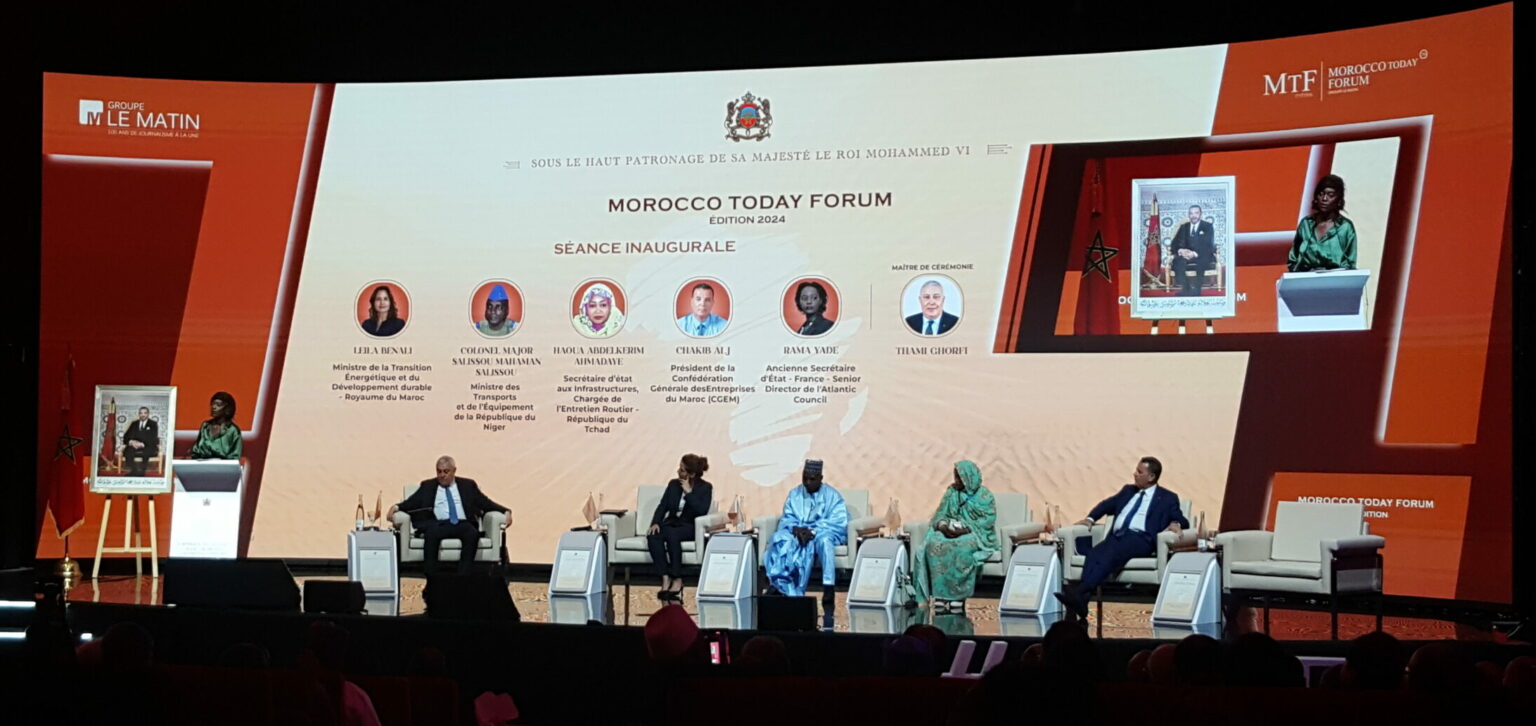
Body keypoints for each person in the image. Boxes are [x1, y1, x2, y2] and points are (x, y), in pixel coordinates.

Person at [1054, 456, 1188, 620]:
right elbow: (1106, 505)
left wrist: (1175, 523)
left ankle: (1079, 593)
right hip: (1117, 537)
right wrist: (1090, 519)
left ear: (1151, 477)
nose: (1135, 474)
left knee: (1112, 552)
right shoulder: (1128, 491)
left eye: (1140, 472)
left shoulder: (1167, 498)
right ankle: (1082, 600)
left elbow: (1180, 518)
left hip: (1141, 539)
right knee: (1094, 553)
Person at [388, 456, 510, 574]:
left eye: (446, 471)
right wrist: (396, 507)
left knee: (472, 534)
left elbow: (485, 503)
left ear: (454, 471)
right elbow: (411, 502)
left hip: (462, 523)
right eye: (439, 471)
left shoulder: (467, 485)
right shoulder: (428, 486)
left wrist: (505, 511)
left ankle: (463, 576)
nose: (442, 475)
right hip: (439, 524)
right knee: (431, 534)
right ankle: (432, 579)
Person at [912, 460, 997, 612]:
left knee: (962, 547)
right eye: (956, 477)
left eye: (960, 477)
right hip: (950, 530)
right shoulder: (952, 492)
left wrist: (966, 529)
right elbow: (940, 515)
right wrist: (943, 526)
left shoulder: (985, 496)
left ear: (969, 477)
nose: (956, 480)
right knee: (934, 543)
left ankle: (958, 596)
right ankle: (940, 595)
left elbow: (987, 520)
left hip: (974, 534)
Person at [763, 459, 847, 604]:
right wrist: (795, 528)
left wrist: (812, 531)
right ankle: (778, 583)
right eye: (805, 478)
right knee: (779, 537)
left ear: (820, 478)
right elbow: (787, 517)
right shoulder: (794, 494)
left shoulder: (832, 495)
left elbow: (838, 522)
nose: (807, 482)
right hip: (798, 530)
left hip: (822, 531)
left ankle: (828, 588)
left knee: (825, 541)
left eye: (812, 479)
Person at [647, 454, 713, 601]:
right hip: (671, 523)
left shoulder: (705, 488)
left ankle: (677, 578)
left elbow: (701, 511)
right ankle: (665, 577)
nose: (678, 471)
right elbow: (663, 506)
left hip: (690, 526)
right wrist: (655, 522)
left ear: (692, 474)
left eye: (682, 470)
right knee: (653, 535)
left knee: (672, 535)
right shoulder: (673, 484)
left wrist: (689, 493)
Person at [1288, 174, 1358, 272]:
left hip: (1335, 278)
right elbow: (1293, 259)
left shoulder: (1345, 227)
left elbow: (1350, 264)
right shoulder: (1306, 224)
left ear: (1339, 200)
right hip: (1306, 278)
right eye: (1321, 194)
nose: (1324, 198)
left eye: (1330, 195)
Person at [1169, 205, 1216, 296]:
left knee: (1201, 262)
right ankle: (1186, 289)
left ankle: (1197, 290)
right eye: (1191, 213)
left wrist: (1194, 253)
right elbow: (1174, 244)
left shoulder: (1207, 226)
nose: (1193, 216)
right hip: (1185, 255)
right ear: (1189, 215)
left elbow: (1209, 245)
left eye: (1196, 213)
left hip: (1201, 255)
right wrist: (1181, 250)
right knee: (1177, 262)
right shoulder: (1184, 227)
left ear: (1201, 214)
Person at [188, 392, 241, 459]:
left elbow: (235, 456)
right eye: (213, 404)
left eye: (218, 405)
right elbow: (197, 449)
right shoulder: (205, 426)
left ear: (228, 409)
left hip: (223, 465)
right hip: (202, 463)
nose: (214, 407)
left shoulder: (233, 430)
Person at [120, 406, 159, 476]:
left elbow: (153, 437)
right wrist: (131, 442)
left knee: (147, 451)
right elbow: (126, 436)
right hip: (134, 445)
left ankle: (141, 471)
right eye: (141, 413)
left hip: (147, 445)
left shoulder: (153, 424)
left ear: (148, 414)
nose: (143, 415)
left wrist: (142, 444)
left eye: (145, 413)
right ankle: (134, 470)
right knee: (128, 451)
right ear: (139, 414)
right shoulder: (134, 423)